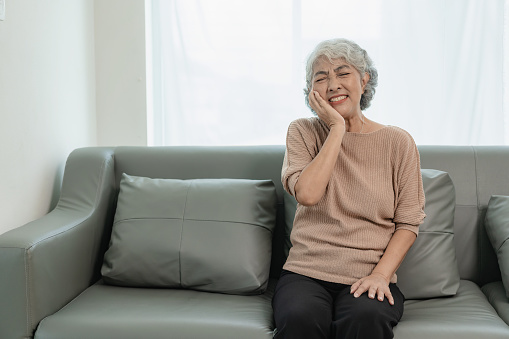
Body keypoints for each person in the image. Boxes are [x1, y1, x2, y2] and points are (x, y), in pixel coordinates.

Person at [273, 38, 426, 339]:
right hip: (306, 272)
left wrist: (381, 276)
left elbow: (408, 223)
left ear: (364, 79)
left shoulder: (398, 142)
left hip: (368, 273)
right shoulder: (302, 132)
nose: (332, 85)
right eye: (321, 77)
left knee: (366, 319)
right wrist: (337, 128)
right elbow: (308, 194)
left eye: (343, 73)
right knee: (299, 318)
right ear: (311, 91)